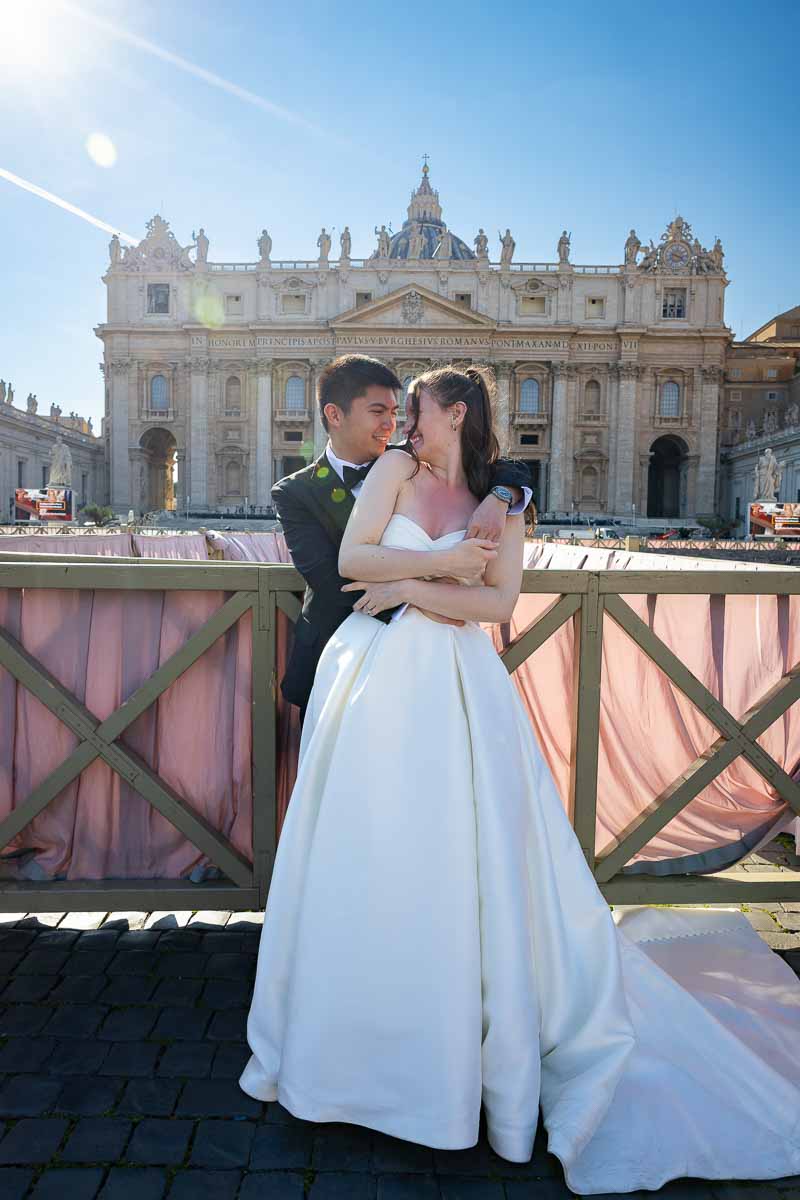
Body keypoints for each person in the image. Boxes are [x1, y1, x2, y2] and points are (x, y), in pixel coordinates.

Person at [242, 364, 800, 1194]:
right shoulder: (398, 472)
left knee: (463, 856)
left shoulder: (503, 502)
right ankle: (350, 1034)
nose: (403, 427)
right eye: (393, 414)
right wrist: (426, 575)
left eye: (416, 413)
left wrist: (409, 582)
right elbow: (353, 559)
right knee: (365, 849)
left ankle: (455, 1035)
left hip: (459, 689)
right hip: (372, 687)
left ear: (454, 414)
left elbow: (499, 608)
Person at [271, 354, 532, 719]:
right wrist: (444, 581)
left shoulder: (412, 464)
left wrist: (504, 494)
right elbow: (338, 580)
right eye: (380, 412)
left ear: (456, 414)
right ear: (335, 414)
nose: (394, 426)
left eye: (401, 413)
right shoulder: (296, 491)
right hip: (346, 657)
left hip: (449, 660)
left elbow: (501, 467)